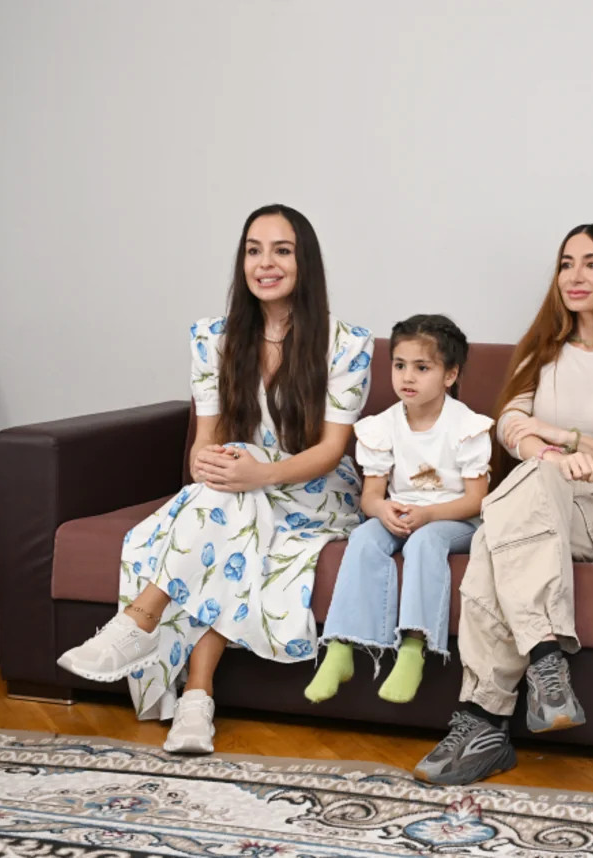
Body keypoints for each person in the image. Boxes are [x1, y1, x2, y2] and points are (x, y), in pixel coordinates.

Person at [57, 204, 374, 753]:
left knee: (231, 499)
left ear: (305, 262)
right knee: (230, 510)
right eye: (253, 251)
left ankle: (141, 626)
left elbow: (330, 451)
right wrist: (208, 463)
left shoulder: (346, 343)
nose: (265, 263)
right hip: (239, 487)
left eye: (281, 251)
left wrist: (259, 472)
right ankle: (196, 700)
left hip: (316, 492)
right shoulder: (214, 337)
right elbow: (206, 439)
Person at [413, 224, 593, 785]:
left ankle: (485, 716)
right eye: (565, 263)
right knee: (503, 525)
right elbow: (510, 423)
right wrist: (551, 457)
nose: (574, 276)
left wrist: (577, 444)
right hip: (541, 493)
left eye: (591, 264)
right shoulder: (543, 350)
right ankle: (542, 667)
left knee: (497, 529)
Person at [305, 314, 492, 705]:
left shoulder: (465, 426)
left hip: (455, 517)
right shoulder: (382, 426)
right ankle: (341, 646)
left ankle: (413, 647)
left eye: (422, 368)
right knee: (364, 537)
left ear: (450, 375)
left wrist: (429, 516)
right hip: (403, 512)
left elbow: (476, 499)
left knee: (425, 542)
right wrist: (382, 510)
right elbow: (371, 496)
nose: (408, 377)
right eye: (400, 365)